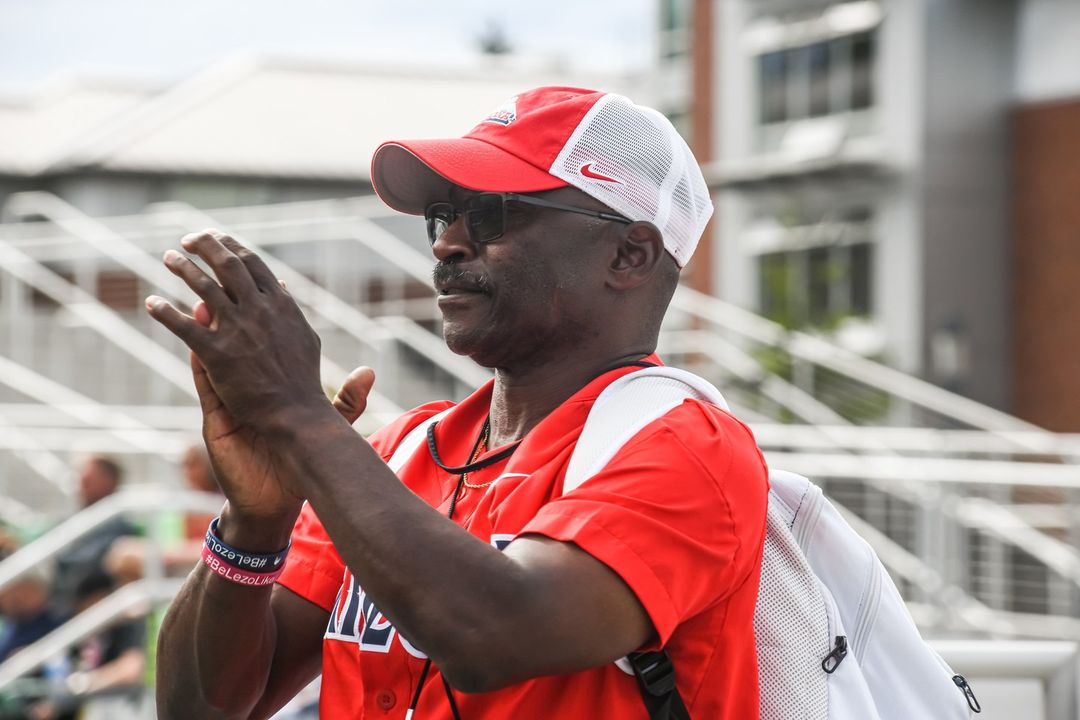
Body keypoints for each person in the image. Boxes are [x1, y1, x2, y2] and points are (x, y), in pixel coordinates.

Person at [148, 87, 769, 719]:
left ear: (628, 254)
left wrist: (299, 420)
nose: (447, 243)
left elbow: (493, 635)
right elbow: (200, 711)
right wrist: (254, 524)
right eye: (444, 215)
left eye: (492, 214)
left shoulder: (689, 447)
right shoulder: (401, 452)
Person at [52, 456, 138, 616]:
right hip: (64, 605)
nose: (80, 485)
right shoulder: (74, 520)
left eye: (87, 480)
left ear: (108, 481)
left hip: (90, 604)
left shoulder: (117, 523)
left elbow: (90, 564)